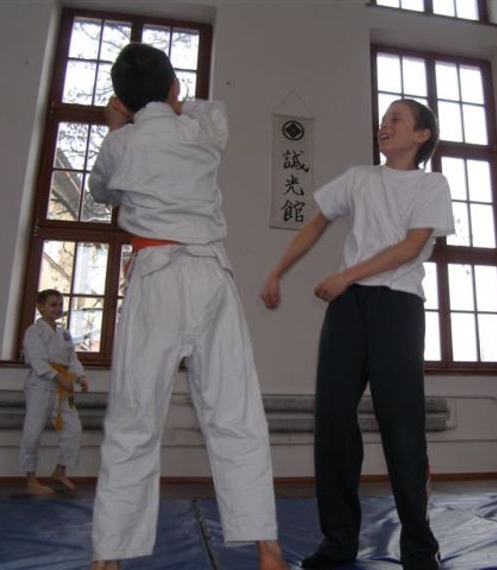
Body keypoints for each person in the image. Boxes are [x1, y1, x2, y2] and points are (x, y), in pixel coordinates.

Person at [87, 43, 285, 570]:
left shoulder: (120, 145)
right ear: (175, 88)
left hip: (156, 277)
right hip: (211, 276)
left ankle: (109, 557)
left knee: (134, 417)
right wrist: (166, 103)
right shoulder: (201, 127)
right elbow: (203, 108)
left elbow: (102, 193)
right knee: (236, 412)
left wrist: (118, 125)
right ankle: (268, 548)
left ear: (121, 101)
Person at [261, 99, 452, 570]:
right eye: (383, 119)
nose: (384, 125)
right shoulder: (359, 177)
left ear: (421, 135)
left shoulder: (431, 184)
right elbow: (315, 225)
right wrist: (277, 271)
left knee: (401, 427)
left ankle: (419, 547)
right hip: (348, 310)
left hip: (398, 307)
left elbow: (411, 246)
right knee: (332, 422)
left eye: (396, 120)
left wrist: (346, 275)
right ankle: (338, 541)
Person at [18, 288, 88, 495]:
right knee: (32, 434)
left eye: (60, 305)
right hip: (40, 386)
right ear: (40, 307)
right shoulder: (34, 332)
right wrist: (57, 377)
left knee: (74, 429)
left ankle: (60, 471)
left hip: (64, 388)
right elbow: (37, 360)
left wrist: (80, 377)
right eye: (53, 305)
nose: (58, 309)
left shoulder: (64, 334)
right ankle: (31, 480)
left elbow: (72, 359)